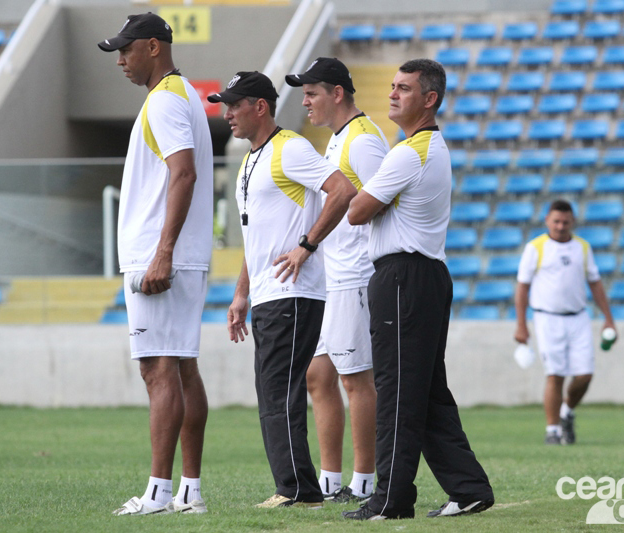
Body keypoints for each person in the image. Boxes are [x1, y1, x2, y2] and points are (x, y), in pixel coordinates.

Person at [343, 59, 495, 520]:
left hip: (403, 278)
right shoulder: (430, 147)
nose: (392, 94)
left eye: (404, 88)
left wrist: (369, 195)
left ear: (429, 99)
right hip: (423, 277)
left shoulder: (409, 153)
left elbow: (356, 211)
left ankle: (390, 499)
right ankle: (468, 488)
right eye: (392, 86)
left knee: (397, 391)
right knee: (426, 392)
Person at [207, 71, 357, 508]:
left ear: (260, 107)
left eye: (234, 104)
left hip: (293, 292)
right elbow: (256, 238)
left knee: (279, 391)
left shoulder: (290, 148)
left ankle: (297, 490)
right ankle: (296, 487)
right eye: (224, 105)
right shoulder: (250, 161)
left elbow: (342, 190)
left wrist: (306, 246)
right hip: (268, 295)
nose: (227, 113)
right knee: (273, 390)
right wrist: (241, 294)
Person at [99, 12, 212, 516]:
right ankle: (189, 491)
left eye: (126, 50)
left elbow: (182, 174)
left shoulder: (165, 99)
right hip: (178, 254)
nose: (120, 60)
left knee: (157, 368)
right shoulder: (181, 93)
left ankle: (159, 494)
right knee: (182, 366)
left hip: (161, 256)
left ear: (152, 46)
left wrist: (163, 251)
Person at [284, 57, 388, 504]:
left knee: (356, 379)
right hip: (334, 276)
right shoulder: (339, 138)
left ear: (337, 93)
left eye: (311, 93)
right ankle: (329, 480)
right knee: (317, 375)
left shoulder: (364, 140)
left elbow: (386, 201)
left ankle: (364, 480)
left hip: (357, 276)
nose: (305, 102)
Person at [514, 199, 617, 445]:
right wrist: (521, 324)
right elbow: (522, 287)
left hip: (578, 317)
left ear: (573, 222)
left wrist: (608, 319)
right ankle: (552, 430)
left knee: (585, 375)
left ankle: (567, 411)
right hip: (547, 318)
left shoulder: (582, 247)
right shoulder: (535, 248)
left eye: (565, 222)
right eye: (556, 221)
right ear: (547, 221)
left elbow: (595, 283)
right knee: (555, 375)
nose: (560, 226)